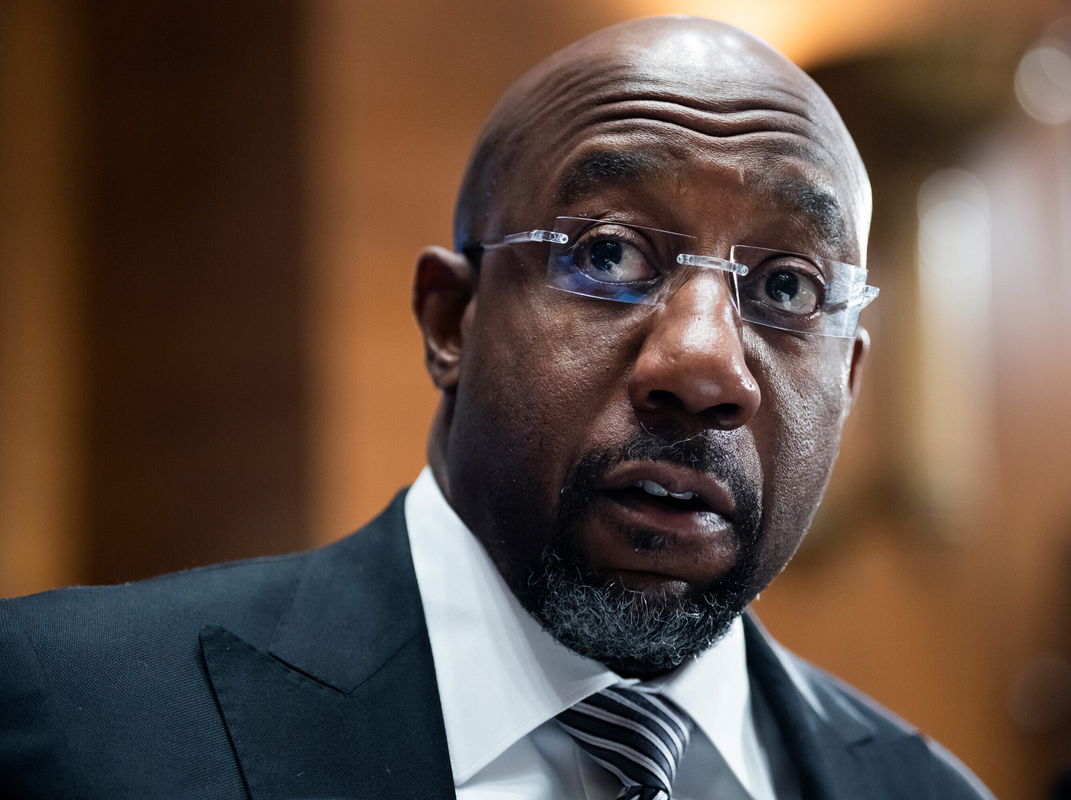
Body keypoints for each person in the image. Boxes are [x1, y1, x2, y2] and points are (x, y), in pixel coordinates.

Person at [0, 16, 992, 799]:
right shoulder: (69, 715)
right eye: (607, 254)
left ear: (849, 383)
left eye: (784, 287)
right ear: (450, 321)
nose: (702, 363)